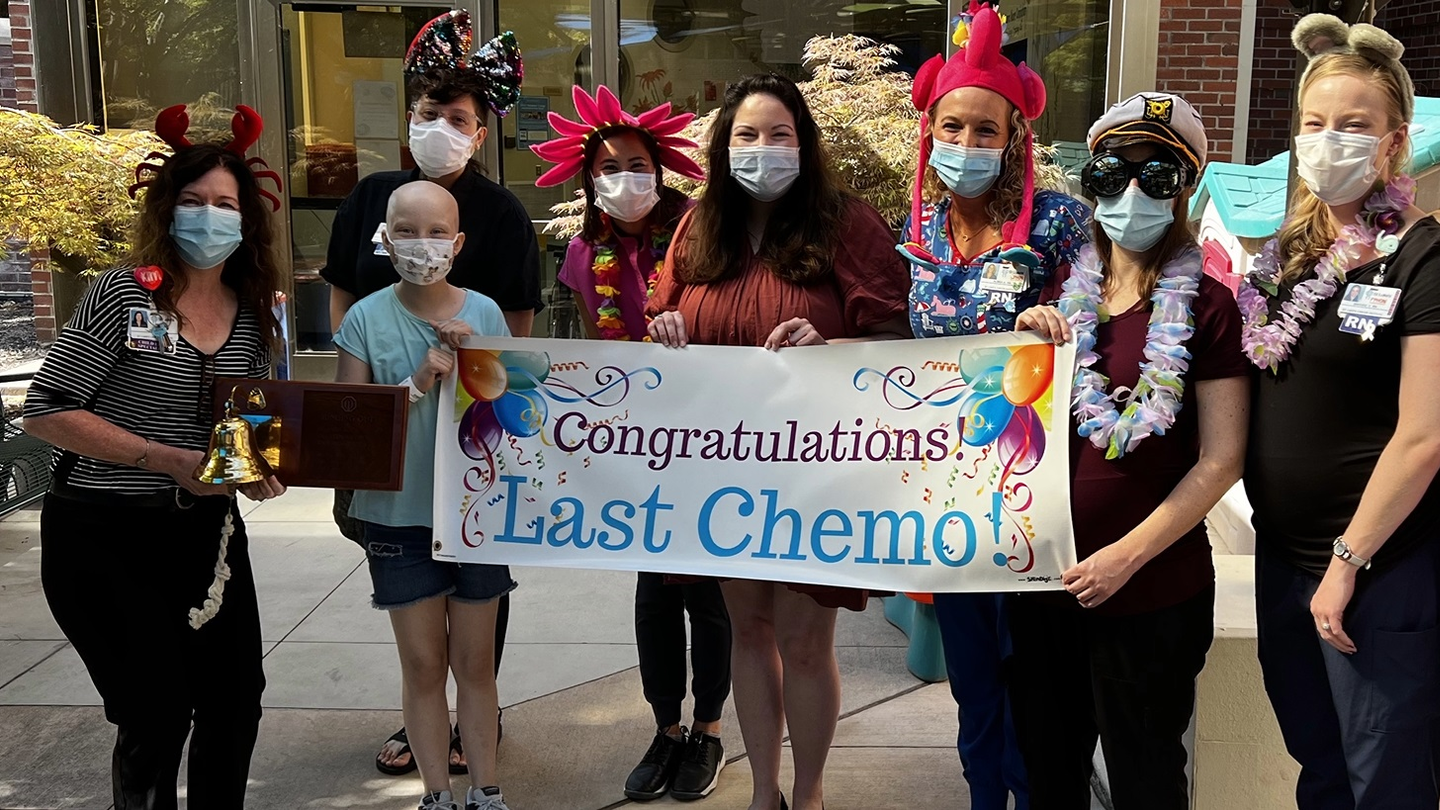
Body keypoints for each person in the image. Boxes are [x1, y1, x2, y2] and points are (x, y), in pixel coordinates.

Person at [646, 73, 912, 810]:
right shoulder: (699, 225)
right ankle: (764, 792)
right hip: (725, 470)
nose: (763, 149)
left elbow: (895, 341)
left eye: (780, 134)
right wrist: (663, 330)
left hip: (816, 473)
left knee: (803, 640)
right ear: (724, 149)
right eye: (747, 136)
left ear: (805, 144)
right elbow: (661, 323)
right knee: (748, 628)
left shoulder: (846, 223)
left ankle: (810, 791)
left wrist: (831, 342)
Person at [21, 106, 287, 810]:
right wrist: (161, 457)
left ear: (247, 218)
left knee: (236, 705)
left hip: (209, 539)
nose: (209, 218)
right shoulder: (120, 294)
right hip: (103, 532)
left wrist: (257, 464)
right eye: (194, 203)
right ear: (167, 212)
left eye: (224, 205)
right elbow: (45, 409)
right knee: (157, 713)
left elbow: (249, 424)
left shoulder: (257, 313)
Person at [1006, 93, 1248, 809]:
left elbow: (1222, 460)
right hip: (1043, 584)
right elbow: (1014, 428)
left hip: (1152, 590)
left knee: (1144, 779)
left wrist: (1126, 557)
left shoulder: (1208, 305)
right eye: (1111, 173)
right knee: (1048, 775)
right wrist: (1024, 347)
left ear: (1186, 186)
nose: (1132, 191)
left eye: (1157, 175)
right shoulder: (1060, 294)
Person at [318, 11, 535, 775]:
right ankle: (425, 725)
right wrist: (374, 377)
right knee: (414, 611)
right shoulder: (369, 195)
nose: (439, 127)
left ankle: (478, 717)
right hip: (393, 454)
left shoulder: (502, 216)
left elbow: (516, 345)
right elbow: (343, 299)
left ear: (481, 132)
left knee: (478, 611)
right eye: (427, 114)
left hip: (472, 465)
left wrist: (481, 371)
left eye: (458, 118)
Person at [1239, 15, 1440, 810]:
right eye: (1315, 124)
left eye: (1354, 126)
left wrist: (1346, 565)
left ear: (1394, 141)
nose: (1331, 141)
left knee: (1384, 784)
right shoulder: (1285, 255)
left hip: (1377, 569)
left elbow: (1424, 438)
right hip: (1285, 563)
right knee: (1319, 768)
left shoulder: (1424, 255)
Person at [895, 5, 1089, 808]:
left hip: (1039, 491)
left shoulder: (1061, 221)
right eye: (954, 127)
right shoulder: (920, 230)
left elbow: (1110, 330)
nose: (968, 146)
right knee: (972, 678)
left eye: (986, 130)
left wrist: (1059, 327)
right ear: (930, 130)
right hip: (949, 498)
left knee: (1034, 681)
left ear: (1015, 135)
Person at [533, 85, 734, 801]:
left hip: (710, 438)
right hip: (636, 447)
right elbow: (593, 348)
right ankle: (666, 729)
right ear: (591, 178)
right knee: (654, 594)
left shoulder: (705, 231)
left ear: (662, 168)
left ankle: (708, 733)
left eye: (638, 163)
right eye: (611, 165)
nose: (626, 177)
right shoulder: (584, 253)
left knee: (708, 594)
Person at [335, 181, 515, 810]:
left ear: (458, 242)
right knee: (422, 665)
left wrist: (482, 363)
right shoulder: (363, 317)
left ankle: (486, 790)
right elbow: (347, 429)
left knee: (476, 663)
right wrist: (414, 384)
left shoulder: (487, 314)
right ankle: (436, 794)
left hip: (475, 512)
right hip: (396, 516)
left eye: (437, 232)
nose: (423, 244)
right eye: (406, 231)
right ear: (384, 239)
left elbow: (518, 416)